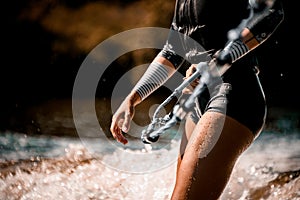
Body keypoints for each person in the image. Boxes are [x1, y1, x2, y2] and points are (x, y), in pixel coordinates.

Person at [110, 0, 284, 199]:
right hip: (197, 101)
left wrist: (220, 61)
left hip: (233, 96)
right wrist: (132, 99)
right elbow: (172, 52)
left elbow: (272, 12)